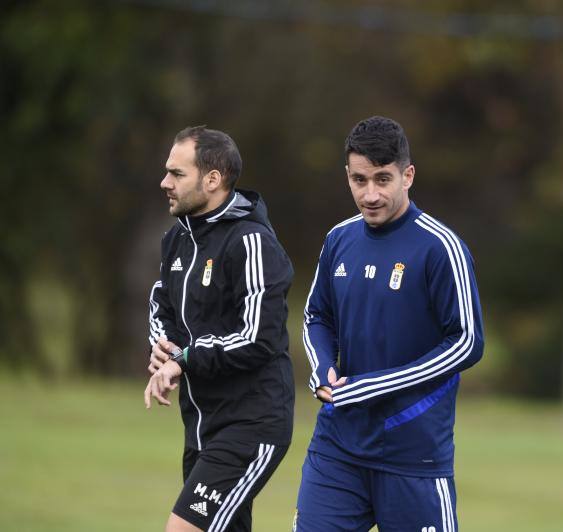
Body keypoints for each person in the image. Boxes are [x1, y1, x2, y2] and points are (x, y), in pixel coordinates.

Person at [295, 116, 484, 531]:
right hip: (337, 447)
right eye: (359, 180)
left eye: (383, 179)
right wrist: (323, 367)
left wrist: (374, 384)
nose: (371, 194)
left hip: (413, 454)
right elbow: (317, 316)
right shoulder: (339, 239)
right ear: (347, 176)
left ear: (407, 175)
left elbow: (468, 342)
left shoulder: (440, 247)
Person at [145, 126, 294, 532]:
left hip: (251, 425)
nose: (165, 182)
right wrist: (162, 347)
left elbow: (258, 338)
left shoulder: (251, 242)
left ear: (212, 179)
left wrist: (184, 359)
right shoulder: (176, 239)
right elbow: (162, 304)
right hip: (200, 425)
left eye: (177, 173)